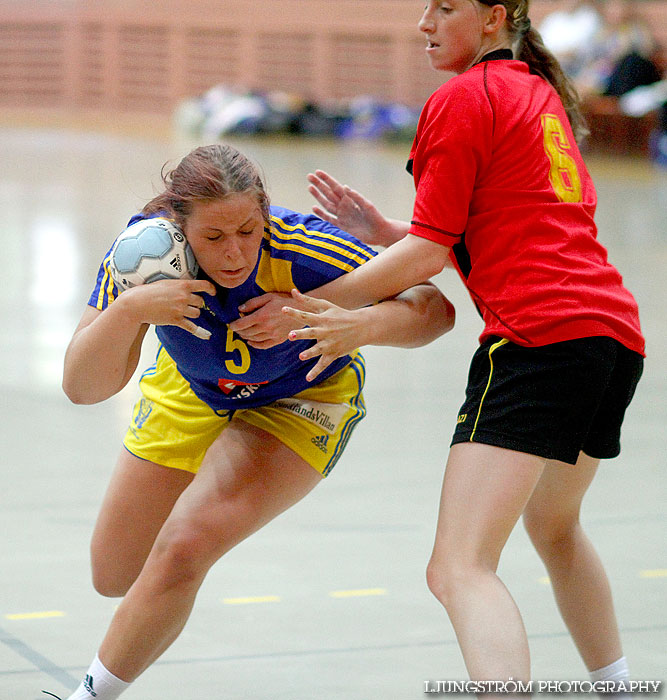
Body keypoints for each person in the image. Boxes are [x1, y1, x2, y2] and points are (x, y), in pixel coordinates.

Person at [232, 0, 646, 693]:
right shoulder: (535, 91)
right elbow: (499, 232)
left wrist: (310, 309)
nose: (424, 22)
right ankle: (618, 685)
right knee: (554, 528)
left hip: (539, 340)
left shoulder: (463, 97)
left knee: (457, 567)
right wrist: (392, 229)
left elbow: (430, 256)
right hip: (608, 336)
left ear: (491, 18)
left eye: (444, 7)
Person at [53, 143, 454, 700]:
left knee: (186, 544)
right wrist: (128, 311)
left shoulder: (302, 247)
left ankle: (87, 695)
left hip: (304, 393)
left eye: (247, 230)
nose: (236, 253)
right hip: (193, 384)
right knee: (112, 574)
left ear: (265, 211)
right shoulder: (146, 252)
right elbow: (81, 386)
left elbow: (435, 310)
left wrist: (352, 325)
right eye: (214, 238)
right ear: (179, 225)